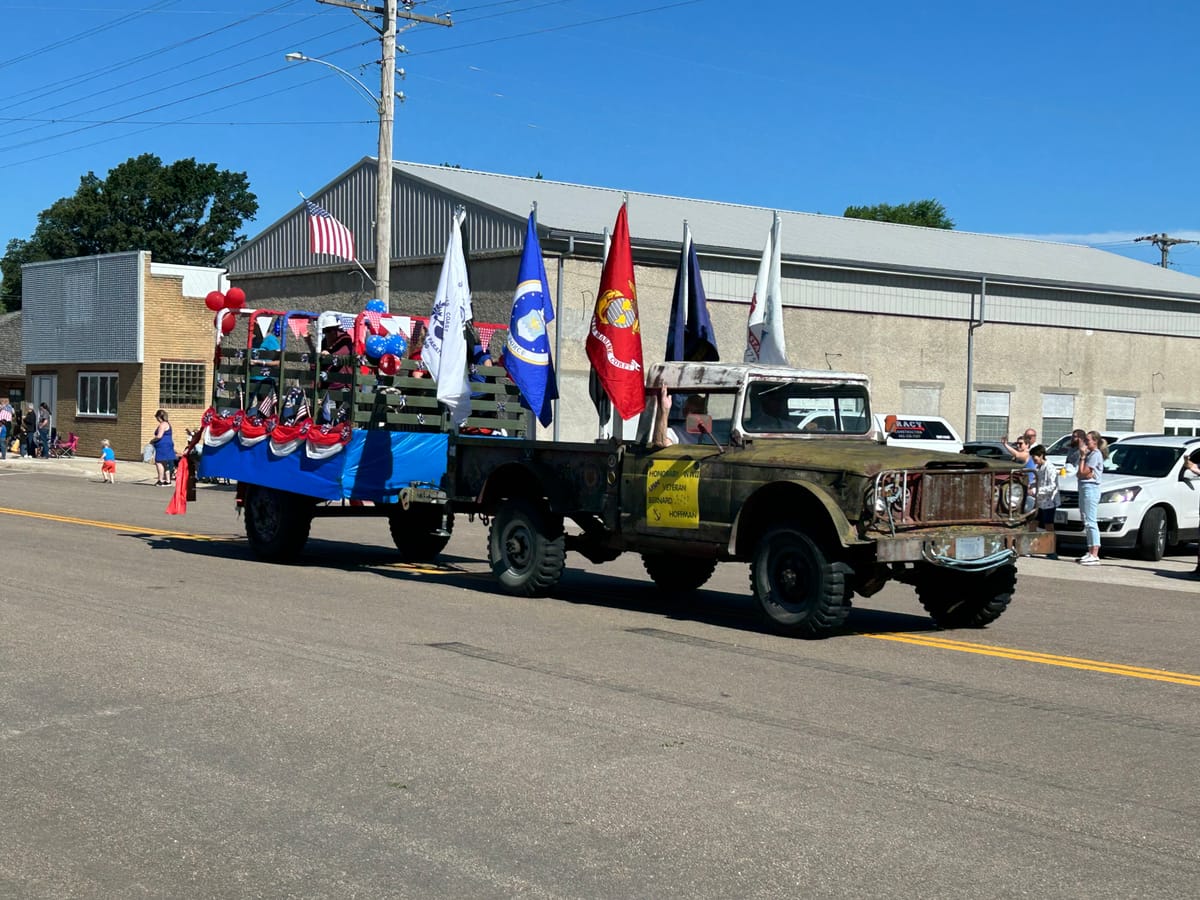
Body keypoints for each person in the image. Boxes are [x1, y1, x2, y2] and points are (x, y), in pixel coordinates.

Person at [1076, 430, 1104, 565]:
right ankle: (1089, 550)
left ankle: (1095, 553)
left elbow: (1084, 472)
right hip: (1083, 487)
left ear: (1095, 441)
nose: (1086, 443)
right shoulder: (1090, 454)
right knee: (1086, 520)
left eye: (1088, 440)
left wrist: (1082, 457)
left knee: (1091, 520)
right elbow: (1079, 474)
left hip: (1091, 488)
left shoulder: (1095, 455)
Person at [1030, 444, 1060, 558]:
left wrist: (1036, 490)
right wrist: (1030, 485)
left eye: (1035, 457)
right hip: (1039, 502)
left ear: (1041, 455)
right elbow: (1037, 481)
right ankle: (1031, 547)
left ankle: (1051, 550)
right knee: (1033, 523)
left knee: (1049, 526)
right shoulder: (1038, 468)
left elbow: (1052, 486)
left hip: (1049, 502)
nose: (1034, 460)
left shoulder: (1050, 468)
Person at [149, 409, 177, 486]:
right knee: (165, 463)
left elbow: (159, 436)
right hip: (167, 444)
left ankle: (160, 480)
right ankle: (168, 481)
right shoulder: (167, 424)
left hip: (163, 446)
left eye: (157, 417)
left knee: (159, 462)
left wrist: (152, 441)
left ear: (159, 417)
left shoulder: (162, 424)